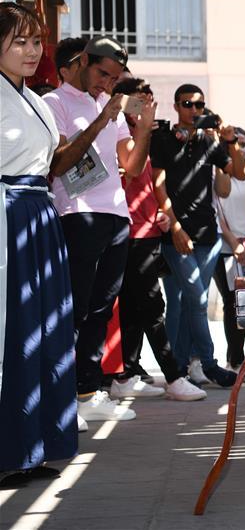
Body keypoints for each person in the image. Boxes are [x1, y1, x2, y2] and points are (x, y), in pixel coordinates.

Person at [43, 36, 156, 423]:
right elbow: (57, 163)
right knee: (73, 309)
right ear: (83, 62)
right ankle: (61, 398)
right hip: (77, 213)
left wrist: (142, 130)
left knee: (101, 308)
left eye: (114, 78)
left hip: (117, 215)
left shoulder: (110, 107)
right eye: (101, 73)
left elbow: (135, 167)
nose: (106, 83)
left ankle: (87, 391)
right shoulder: (53, 104)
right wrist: (102, 119)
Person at [0, 2, 77, 488]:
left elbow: (54, 163)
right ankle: (10, 449)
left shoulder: (35, 98)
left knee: (46, 328)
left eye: (36, 41)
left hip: (38, 213)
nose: (31, 51)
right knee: (13, 331)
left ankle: (35, 445)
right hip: (7, 215)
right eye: (19, 41)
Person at [112, 78, 206, 401]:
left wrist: (161, 215)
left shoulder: (145, 137)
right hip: (130, 232)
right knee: (152, 304)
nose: (146, 106)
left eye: (149, 99)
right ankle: (173, 375)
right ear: (123, 104)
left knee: (135, 305)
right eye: (139, 101)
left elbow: (148, 185)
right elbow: (132, 173)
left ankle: (126, 372)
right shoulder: (120, 135)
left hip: (148, 230)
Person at [150, 83, 245, 388]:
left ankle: (180, 368)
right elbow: (158, 185)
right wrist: (176, 227)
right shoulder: (163, 138)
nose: (194, 110)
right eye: (187, 104)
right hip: (175, 234)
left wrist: (230, 141)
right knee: (196, 299)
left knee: (186, 302)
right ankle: (208, 363)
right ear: (176, 106)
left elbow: (240, 173)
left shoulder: (210, 141)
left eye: (199, 105)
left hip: (208, 235)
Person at [212, 126, 245, 381]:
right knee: (232, 303)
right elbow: (219, 209)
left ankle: (244, 359)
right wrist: (234, 243)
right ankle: (236, 361)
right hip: (225, 249)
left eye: (242, 143)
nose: (238, 148)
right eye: (232, 143)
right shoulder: (217, 173)